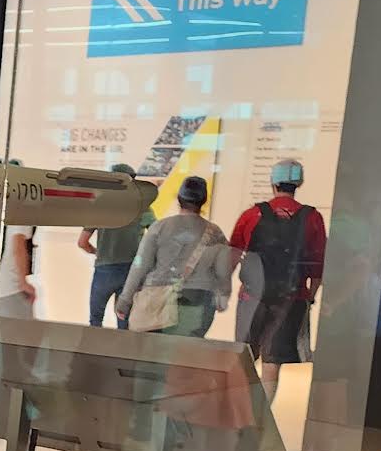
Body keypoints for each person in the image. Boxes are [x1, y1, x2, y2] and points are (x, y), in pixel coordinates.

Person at [230, 159, 328, 394]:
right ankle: (262, 418)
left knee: (244, 355)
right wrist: (310, 297)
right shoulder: (313, 218)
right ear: (299, 183)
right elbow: (318, 265)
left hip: (252, 296)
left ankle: (239, 409)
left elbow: (232, 252)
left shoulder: (252, 214)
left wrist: (223, 286)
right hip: (291, 297)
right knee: (272, 362)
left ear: (273, 182)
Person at [117, 176, 233, 337]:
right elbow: (223, 270)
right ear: (204, 200)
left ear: (179, 199)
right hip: (199, 300)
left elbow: (140, 264)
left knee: (154, 354)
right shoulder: (215, 233)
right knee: (187, 354)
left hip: (158, 301)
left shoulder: (159, 227)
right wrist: (223, 296)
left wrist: (125, 299)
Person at [79, 162, 154, 329]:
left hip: (104, 270)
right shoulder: (142, 207)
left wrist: (97, 252)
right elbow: (155, 236)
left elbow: (82, 243)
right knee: (124, 322)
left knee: (95, 320)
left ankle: (94, 354)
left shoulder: (100, 205)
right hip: (131, 271)